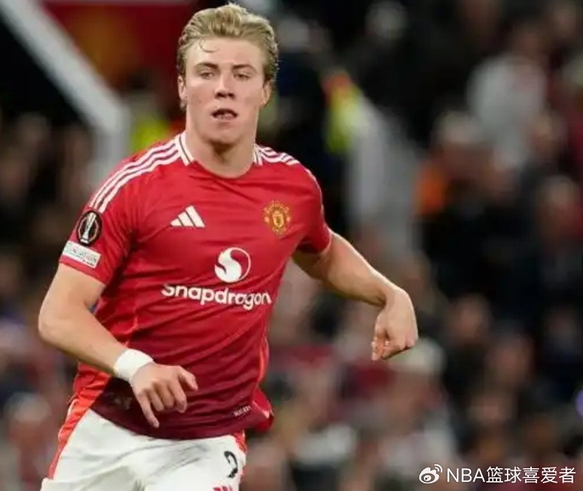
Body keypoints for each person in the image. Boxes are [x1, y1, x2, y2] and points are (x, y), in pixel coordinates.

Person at [38, 3, 418, 490]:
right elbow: (58, 314)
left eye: (241, 74)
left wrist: (389, 294)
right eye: (207, 72)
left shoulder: (293, 188)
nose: (224, 88)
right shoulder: (134, 188)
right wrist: (136, 366)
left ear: (265, 90)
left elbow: (322, 252)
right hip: (106, 429)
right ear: (182, 87)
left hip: (206, 442)